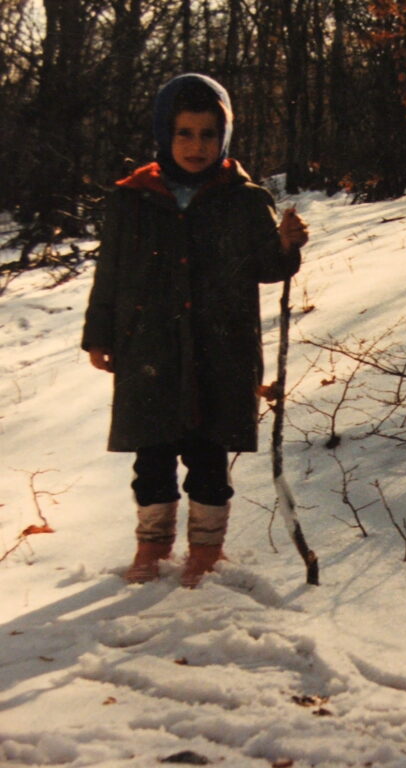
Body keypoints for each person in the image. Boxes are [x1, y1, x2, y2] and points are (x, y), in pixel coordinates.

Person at [82, 73, 308, 587]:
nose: (196, 146)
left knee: (209, 456)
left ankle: (205, 553)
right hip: (149, 348)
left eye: (208, 134)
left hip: (221, 350)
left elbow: (268, 268)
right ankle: (152, 546)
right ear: (165, 133)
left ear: (224, 137)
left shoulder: (244, 199)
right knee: (152, 454)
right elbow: (110, 273)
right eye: (184, 133)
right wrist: (99, 335)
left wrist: (287, 244)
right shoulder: (131, 198)